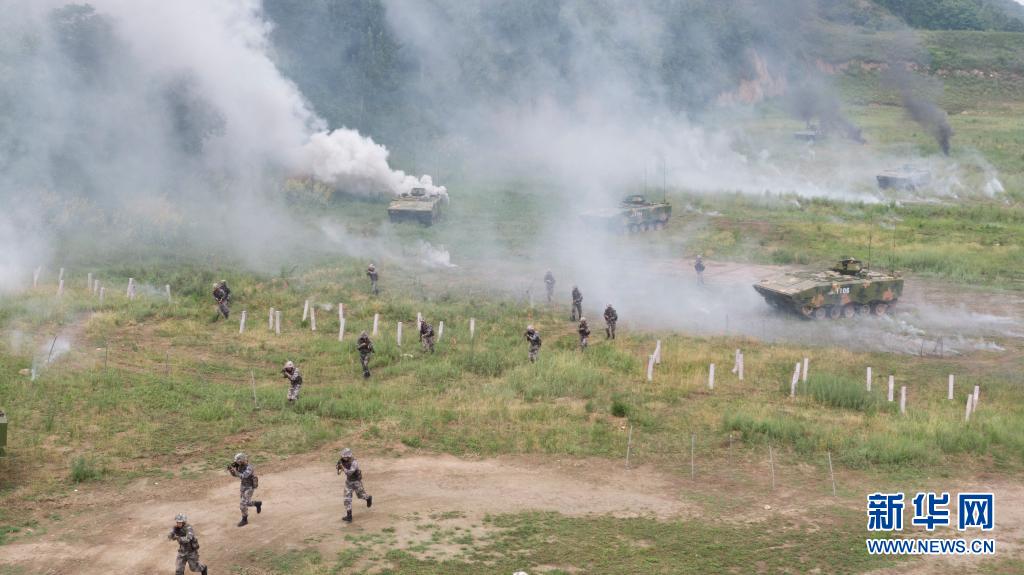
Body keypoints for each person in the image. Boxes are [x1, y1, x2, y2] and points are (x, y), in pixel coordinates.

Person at [336, 448, 372, 523]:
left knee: (360, 495)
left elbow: (349, 473)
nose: (343, 457)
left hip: (356, 482)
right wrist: (338, 468)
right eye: (342, 456)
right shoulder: (341, 461)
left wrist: (342, 468)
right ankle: (349, 516)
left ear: (348, 456)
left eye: (344, 456)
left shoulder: (354, 462)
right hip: (348, 482)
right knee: (347, 499)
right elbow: (338, 471)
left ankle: (368, 498)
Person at [227, 453, 261, 527]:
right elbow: (235, 475)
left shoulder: (249, 467)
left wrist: (235, 471)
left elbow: (243, 476)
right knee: (247, 503)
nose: (237, 463)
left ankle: (244, 520)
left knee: (243, 504)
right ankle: (257, 504)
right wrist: (231, 471)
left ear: (242, 460)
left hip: (249, 487)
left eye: (238, 461)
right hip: (243, 486)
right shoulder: (240, 466)